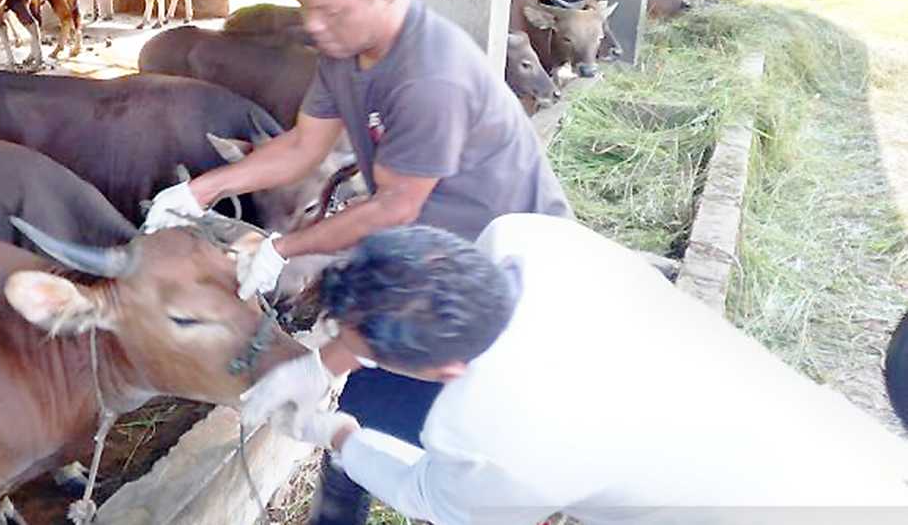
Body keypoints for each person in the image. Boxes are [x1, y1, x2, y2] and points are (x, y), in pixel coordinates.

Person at [143, 0, 572, 523]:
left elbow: (394, 207)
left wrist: (281, 250)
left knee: (472, 434)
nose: (314, 27)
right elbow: (301, 148)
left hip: (503, 268)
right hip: (430, 260)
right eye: (305, 7)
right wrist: (200, 193)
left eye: (331, 12)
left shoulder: (429, 77)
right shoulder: (347, 52)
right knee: (363, 421)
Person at [245, 219, 908, 525]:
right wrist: (325, 362)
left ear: (445, 370)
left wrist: (334, 430)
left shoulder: (492, 432)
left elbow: (428, 498)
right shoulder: (530, 243)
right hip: (856, 457)